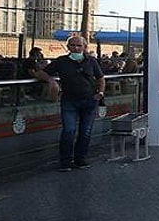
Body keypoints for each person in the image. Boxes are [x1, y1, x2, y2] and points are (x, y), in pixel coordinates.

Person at [33, 36, 106, 172]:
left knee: (85, 131)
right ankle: (65, 161)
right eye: (72, 45)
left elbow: (100, 78)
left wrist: (100, 93)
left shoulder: (91, 61)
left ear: (84, 47)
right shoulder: (61, 61)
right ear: (68, 47)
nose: (76, 48)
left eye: (79, 45)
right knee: (69, 130)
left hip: (89, 101)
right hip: (69, 101)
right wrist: (51, 81)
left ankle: (80, 159)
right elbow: (40, 73)